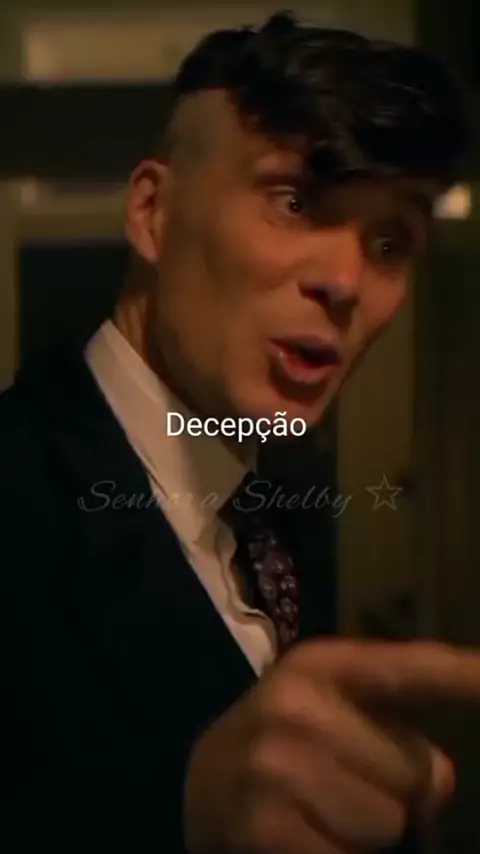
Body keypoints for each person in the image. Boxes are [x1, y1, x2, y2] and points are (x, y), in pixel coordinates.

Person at [2, 10, 479, 854]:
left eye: (389, 240)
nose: (345, 280)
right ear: (153, 212)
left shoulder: (277, 516)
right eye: (294, 200)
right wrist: (181, 819)